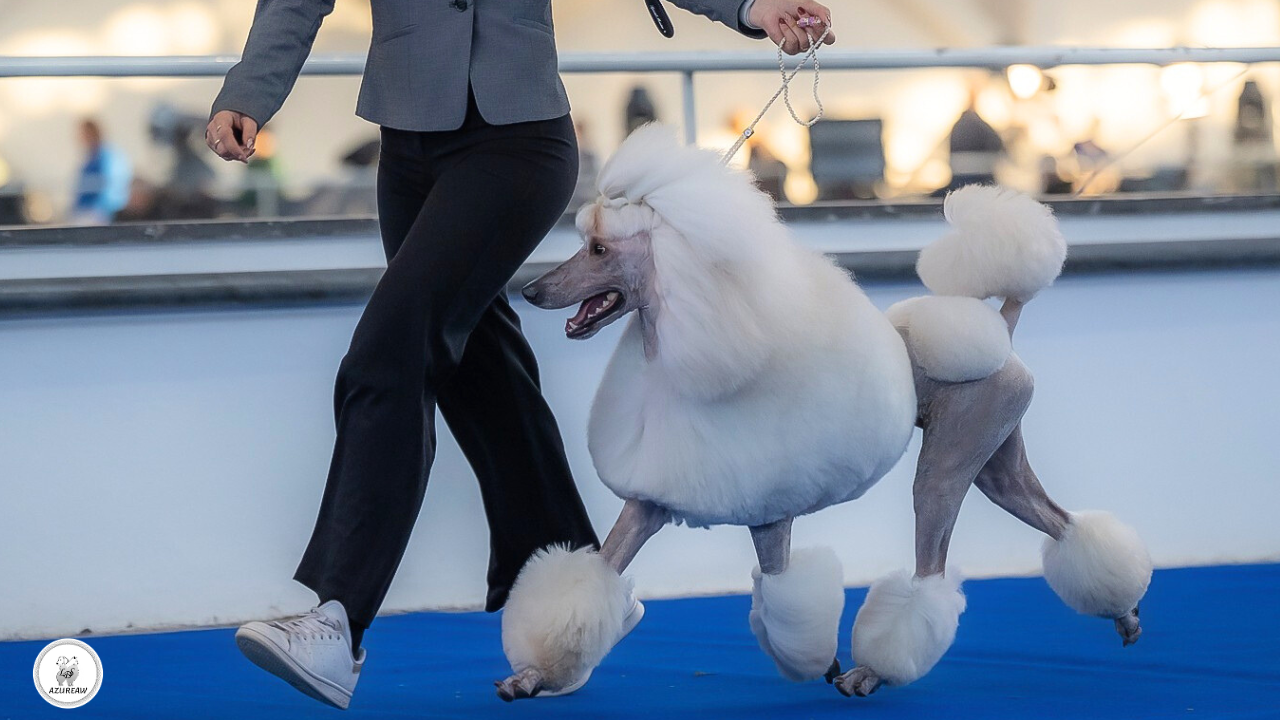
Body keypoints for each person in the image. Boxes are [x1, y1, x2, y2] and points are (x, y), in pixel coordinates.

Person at [205, 0, 835, 710]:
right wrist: (250, 92)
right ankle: (574, 569)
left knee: (390, 352)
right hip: (407, 149)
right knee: (479, 367)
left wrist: (752, 7)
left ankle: (336, 622)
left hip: (519, 143)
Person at [71, 119, 132, 225]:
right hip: (86, 211)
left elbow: (110, 185)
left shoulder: (106, 156)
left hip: (101, 213)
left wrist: (101, 209)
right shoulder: (89, 157)